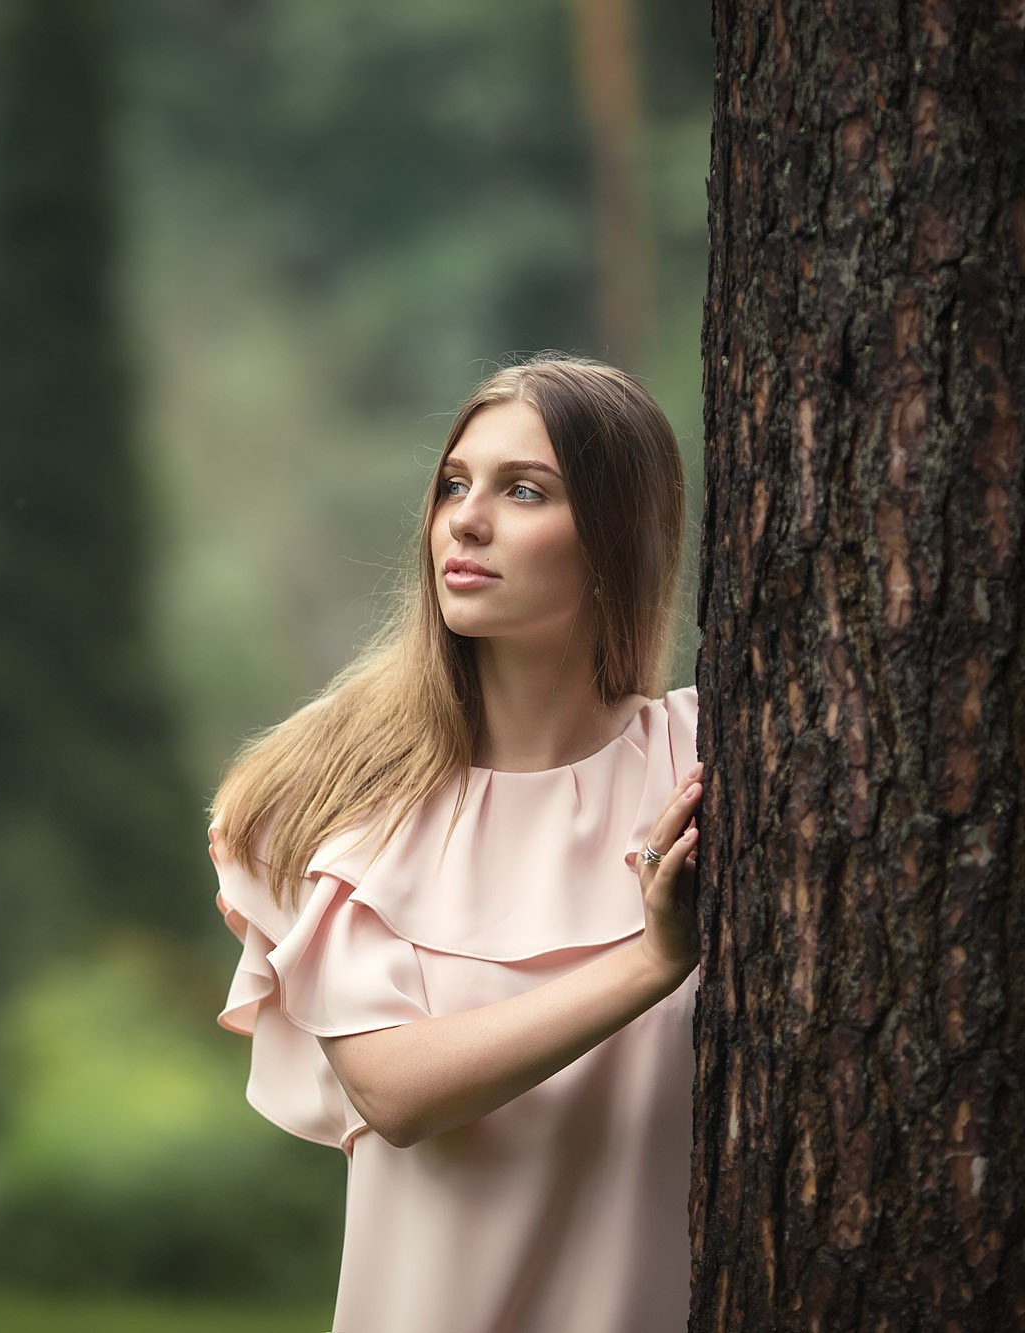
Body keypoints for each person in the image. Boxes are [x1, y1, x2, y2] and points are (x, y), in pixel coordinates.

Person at [207, 354, 705, 1333]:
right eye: (452, 485)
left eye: (524, 491)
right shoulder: (344, 795)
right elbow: (394, 1090)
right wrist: (652, 960)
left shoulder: (711, 760)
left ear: (618, 535)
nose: (465, 521)